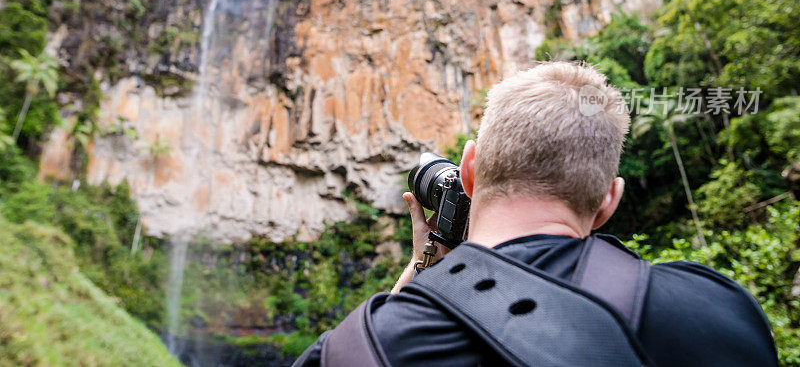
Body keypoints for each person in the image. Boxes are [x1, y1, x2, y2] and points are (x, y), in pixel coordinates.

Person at [294, 61, 779, 366]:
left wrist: (424, 266)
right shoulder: (723, 312)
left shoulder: (370, 344)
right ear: (609, 200)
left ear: (467, 171)